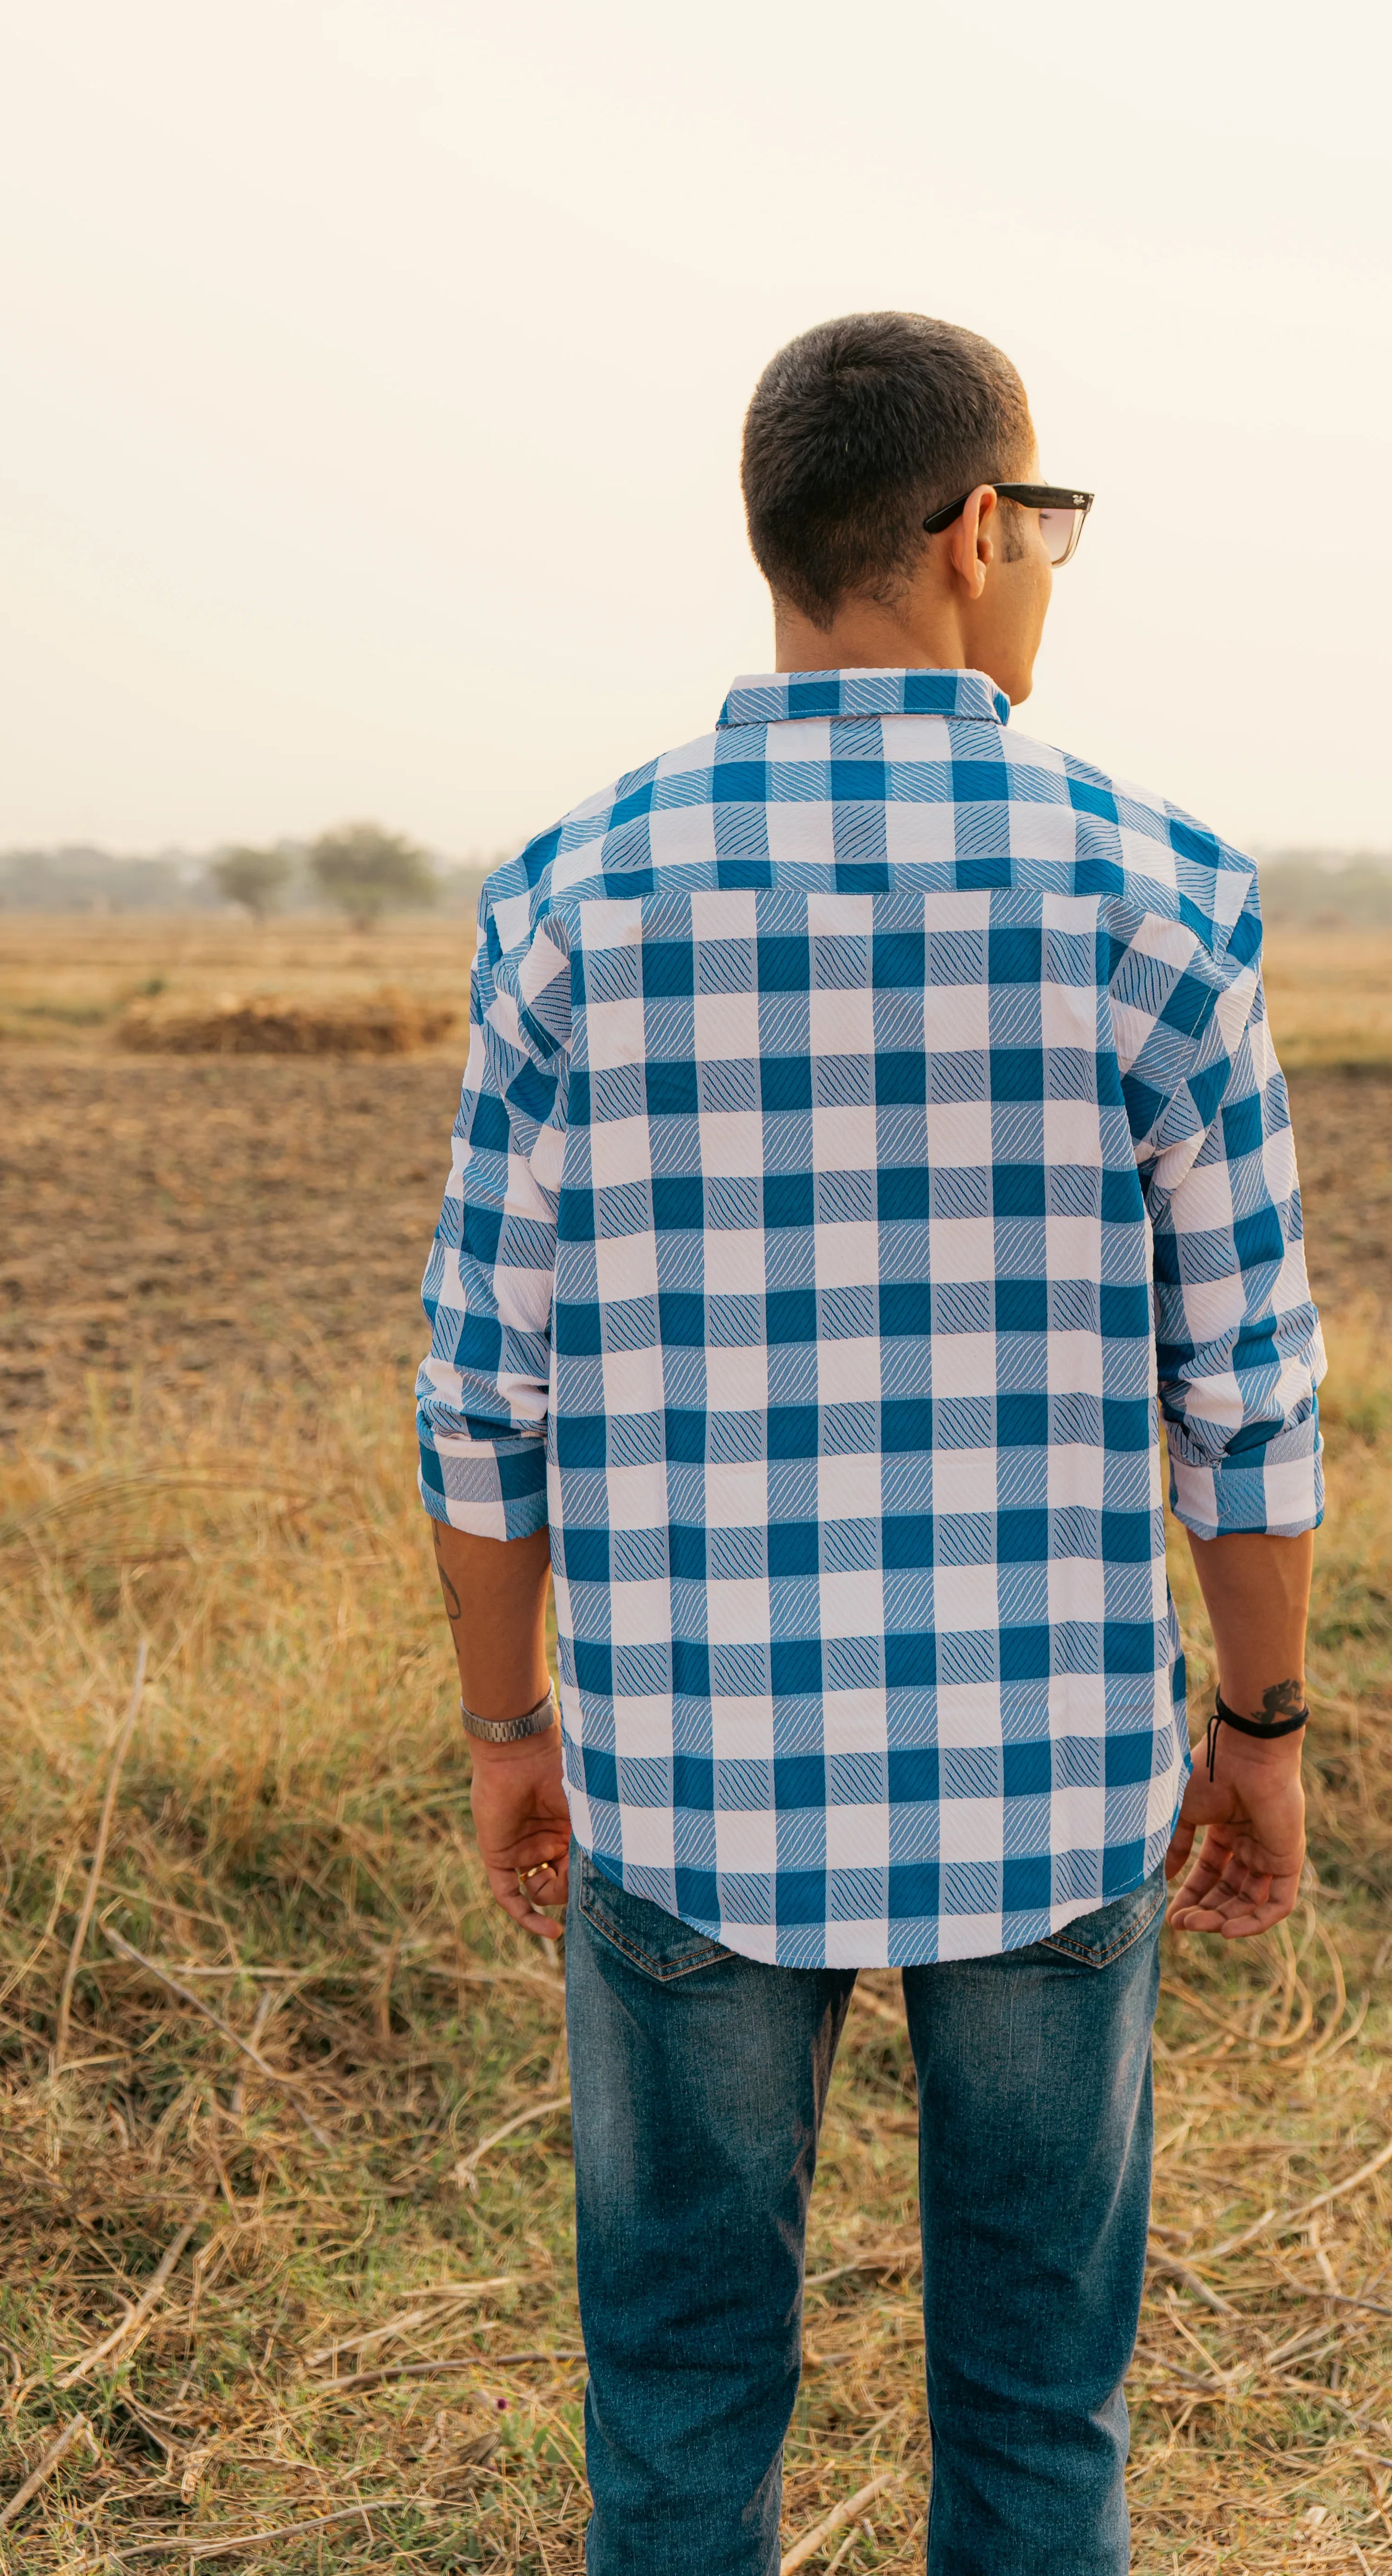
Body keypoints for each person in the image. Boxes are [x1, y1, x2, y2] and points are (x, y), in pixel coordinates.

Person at [416, 312, 1325, 2575]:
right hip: (1049, 1786)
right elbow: (1252, 1388)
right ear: (978, 531)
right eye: (1055, 532)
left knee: (682, 2413)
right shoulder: (1159, 890)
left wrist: (509, 1724)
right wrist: (1265, 1722)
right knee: (1041, 2416)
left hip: (693, 1784)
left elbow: (477, 1393)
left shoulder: (574, 897)